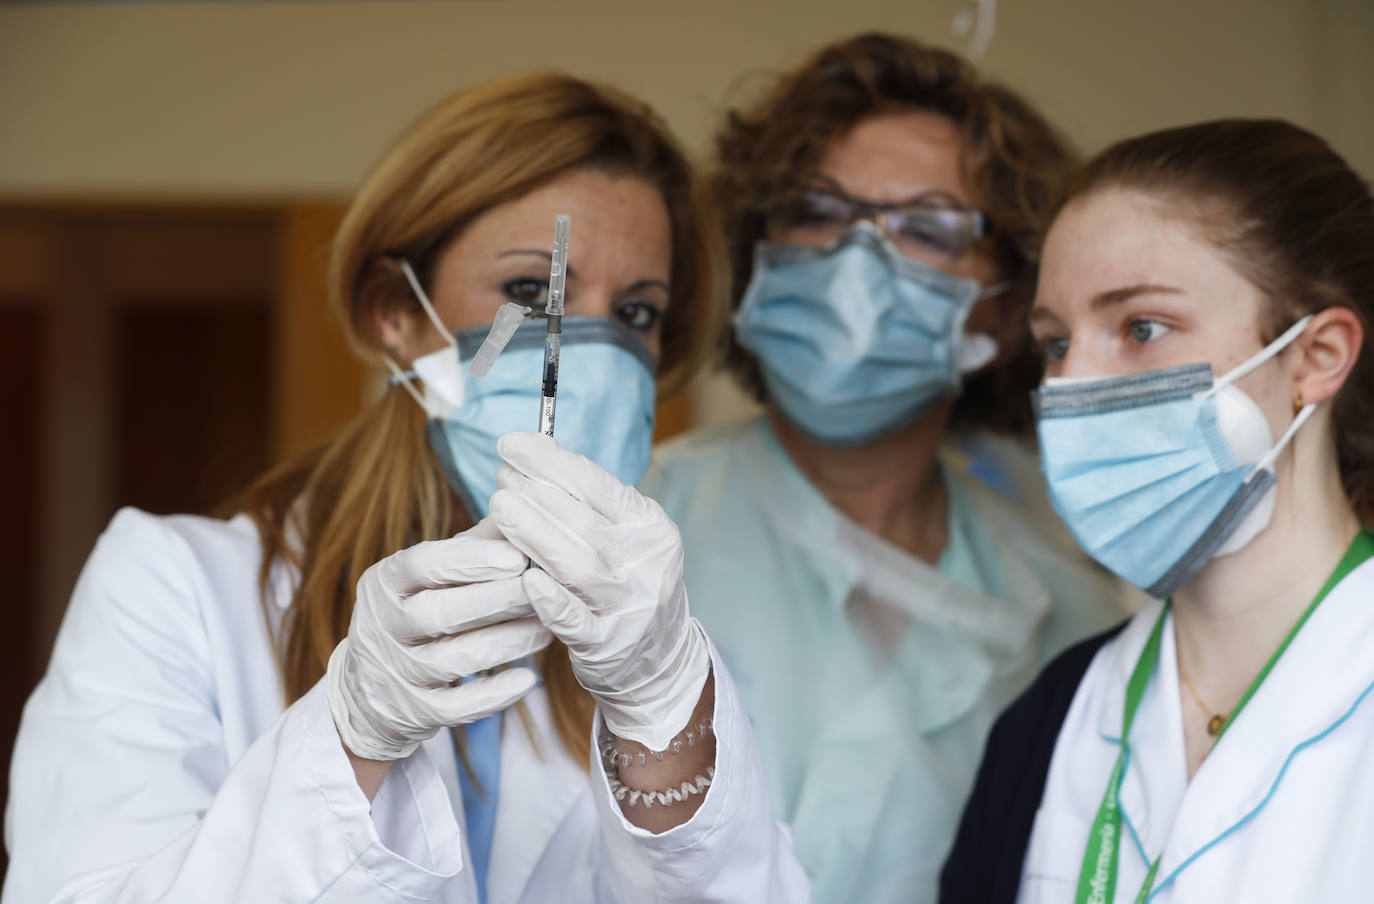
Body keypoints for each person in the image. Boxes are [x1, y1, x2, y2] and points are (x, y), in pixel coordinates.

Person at [3, 73, 811, 903]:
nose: (589, 352)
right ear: (396, 313)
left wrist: (666, 721)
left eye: (637, 313)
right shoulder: (174, 588)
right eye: (532, 294)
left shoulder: (659, 639)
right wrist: (348, 738)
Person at [640, 33, 1124, 903]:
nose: (854, 261)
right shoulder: (634, 532)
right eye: (817, 213)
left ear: (1010, 305)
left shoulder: (1065, 608)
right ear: (755, 258)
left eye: (925, 228)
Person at [941, 118, 1374, 903]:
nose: (1072, 387)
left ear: (1317, 357)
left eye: (1141, 328)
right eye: (1055, 343)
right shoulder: (1046, 722)